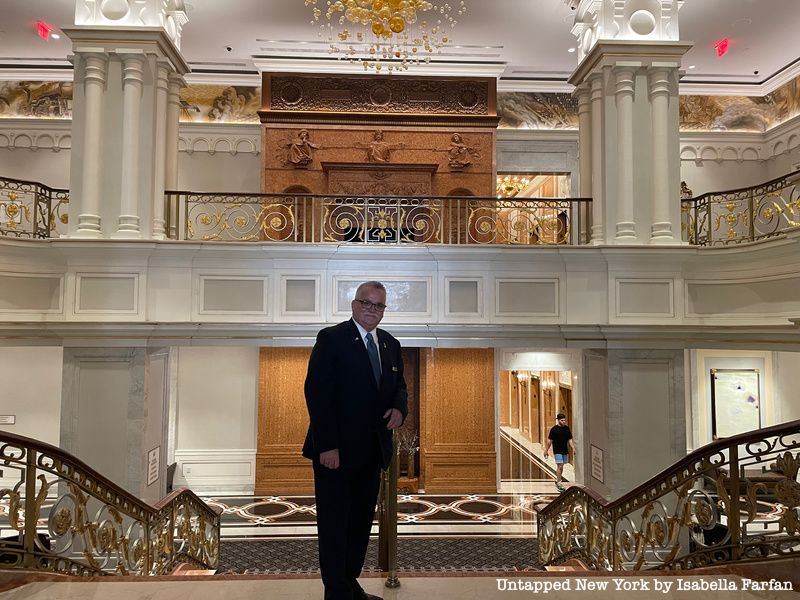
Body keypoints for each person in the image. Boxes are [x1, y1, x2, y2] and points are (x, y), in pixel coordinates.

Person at [303, 281, 408, 600]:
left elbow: (399, 386)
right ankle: (335, 591)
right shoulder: (332, 338)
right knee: (335, 525)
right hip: (336, 453)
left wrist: (399, 408)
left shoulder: (390, 344)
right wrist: (327, 445)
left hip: (373, 451)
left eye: (379, 306)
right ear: (354, 304)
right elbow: (317, 394)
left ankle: (350, 582)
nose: (372, 310)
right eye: (367, 303)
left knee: (361, 524)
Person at [543, 413, 576, 492]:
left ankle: (558, 479)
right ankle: (559, 482)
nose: (564, 421)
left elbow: (570, 439)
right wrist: (546, 450)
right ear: (558, 420)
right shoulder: (554, 429)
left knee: (562, 466)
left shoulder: (567, 429)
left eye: (564, 420)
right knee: (560, 466)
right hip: (557, 450)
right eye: (562, 420)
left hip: (564, 450)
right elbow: (549, 441)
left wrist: (573, 448)